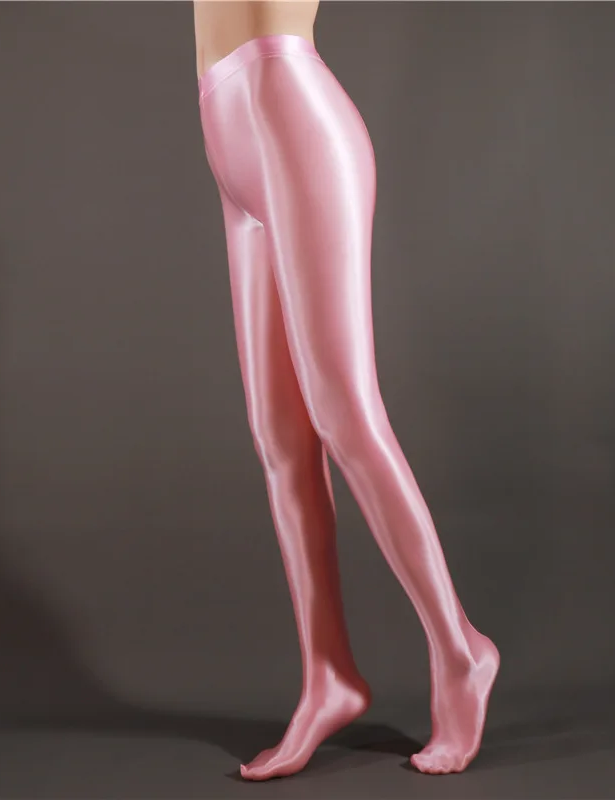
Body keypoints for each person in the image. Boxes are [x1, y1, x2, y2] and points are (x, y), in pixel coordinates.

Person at [194, 0, 500, 781]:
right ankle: (327, 675)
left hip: (292, 112)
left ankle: (460, 649)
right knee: (279, 437)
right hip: (228, 124)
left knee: (345, 413)